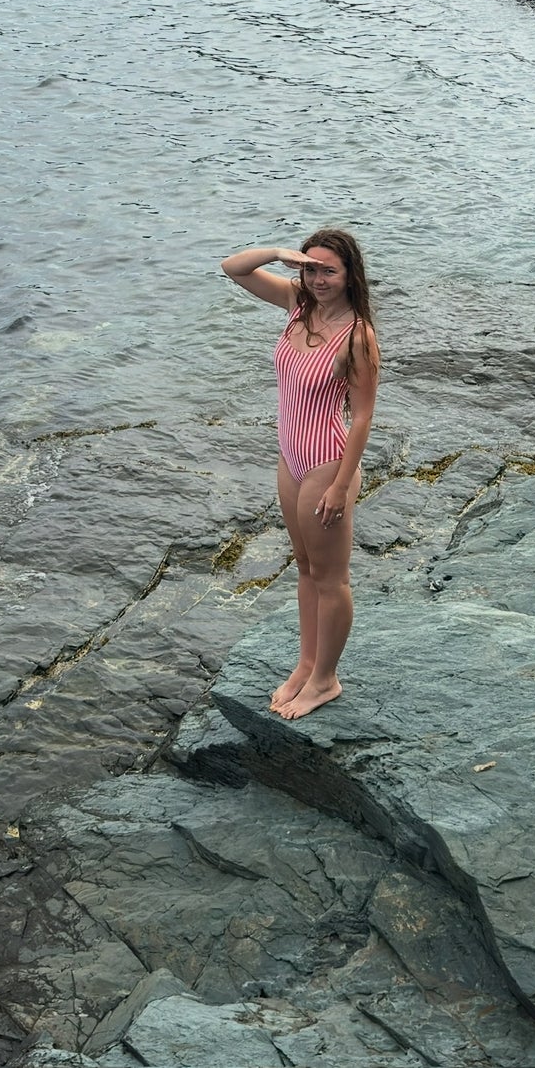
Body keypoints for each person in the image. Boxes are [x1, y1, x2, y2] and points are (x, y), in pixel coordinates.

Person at [220, 229, 380, 719]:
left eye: (328, 270)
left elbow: (362, 417)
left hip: (327, 462)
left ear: (351, 274)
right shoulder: (297, 303)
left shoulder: (358, 336)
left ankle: (326, 680)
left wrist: (339, 485)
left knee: (331, 578)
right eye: (308, 268)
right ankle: (307, 663)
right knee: (305, 569)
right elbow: (233, 267)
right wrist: (279, 253)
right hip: (289, 457)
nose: (317, 279)